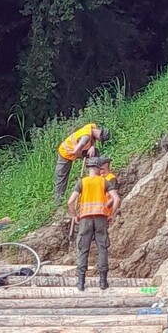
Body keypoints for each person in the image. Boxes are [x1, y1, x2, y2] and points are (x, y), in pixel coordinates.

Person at [67, 157, 121, 292]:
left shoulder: (82, 182)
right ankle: (103, 282)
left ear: (88, 168)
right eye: (100, 168)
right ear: (97, 168)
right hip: (101, 218)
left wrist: (74, 215)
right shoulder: (104, 181)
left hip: (85, 219)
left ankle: (81, 282)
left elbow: (70, 202)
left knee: (83, 248)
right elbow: (116, 199)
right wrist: (111, 214)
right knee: (102, 248)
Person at [55, 123, 110, 204]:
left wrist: (92, 147)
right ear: (100, 135)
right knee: (61, 176)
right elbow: (76, 151)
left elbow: (92, 139)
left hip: (76, 150)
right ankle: (58, 201)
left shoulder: (92, 128)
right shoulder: (85, 137)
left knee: (95, 153)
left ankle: (95, 179)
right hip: (66, 152)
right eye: (100, 139)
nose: (98, 140)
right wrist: (82, 155)